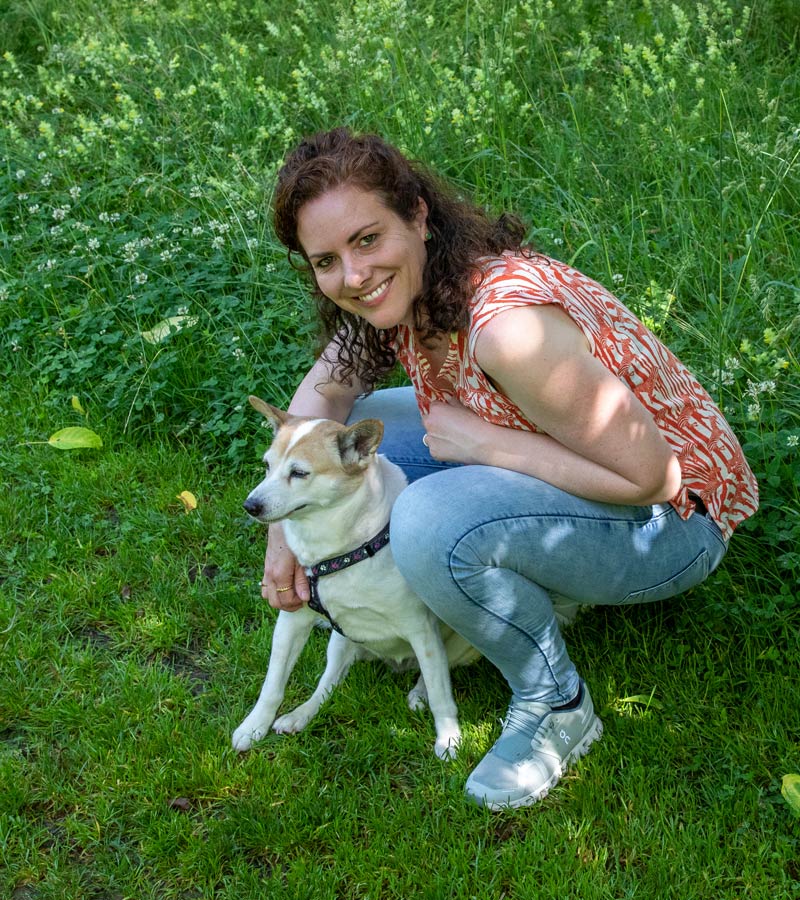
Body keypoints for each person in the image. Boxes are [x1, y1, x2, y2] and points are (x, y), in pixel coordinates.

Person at [258, 127, 759, 810]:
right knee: (352, 436)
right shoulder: (401, 290)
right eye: (326, 260)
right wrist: (280, 533)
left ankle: (556, 702)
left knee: (428, 522)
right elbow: (325, 399)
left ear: (418, 217)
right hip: (591, 464)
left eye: (368, 239)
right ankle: (526, 570)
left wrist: (484, 445)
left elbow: (657, 479)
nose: (351, 275)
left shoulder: (506, 329)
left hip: (673, 525)